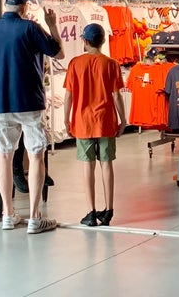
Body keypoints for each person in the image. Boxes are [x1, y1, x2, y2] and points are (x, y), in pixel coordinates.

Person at [0, 0, 63, 233]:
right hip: (30, 103)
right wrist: (52, 25)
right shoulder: (30, 28)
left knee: (4, 156)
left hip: (0, 104)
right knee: (36, 155)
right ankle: (36, 217)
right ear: (25, 6)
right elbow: (58, 53)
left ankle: (8, 214)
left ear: (6, 4)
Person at [63, 23, 127, 227]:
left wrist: (66, 119)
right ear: (103, 41)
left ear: (85, 40)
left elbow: (69, 95)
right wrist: (123, 119)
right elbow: (116, 95)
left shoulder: (75, 63)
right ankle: (108, 210)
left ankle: (90, 212)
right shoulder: (111, 64)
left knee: (87, 166)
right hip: (106, 120)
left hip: (83, 122)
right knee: (107, 164)